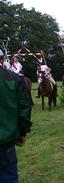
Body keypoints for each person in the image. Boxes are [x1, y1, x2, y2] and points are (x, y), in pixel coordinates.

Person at [0, 49, 32, 183]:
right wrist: (22, 132)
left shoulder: (17, 67)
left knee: (52, 82)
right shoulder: (11, 76)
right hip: (5, 142)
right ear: (2, 59)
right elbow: (24, 108)